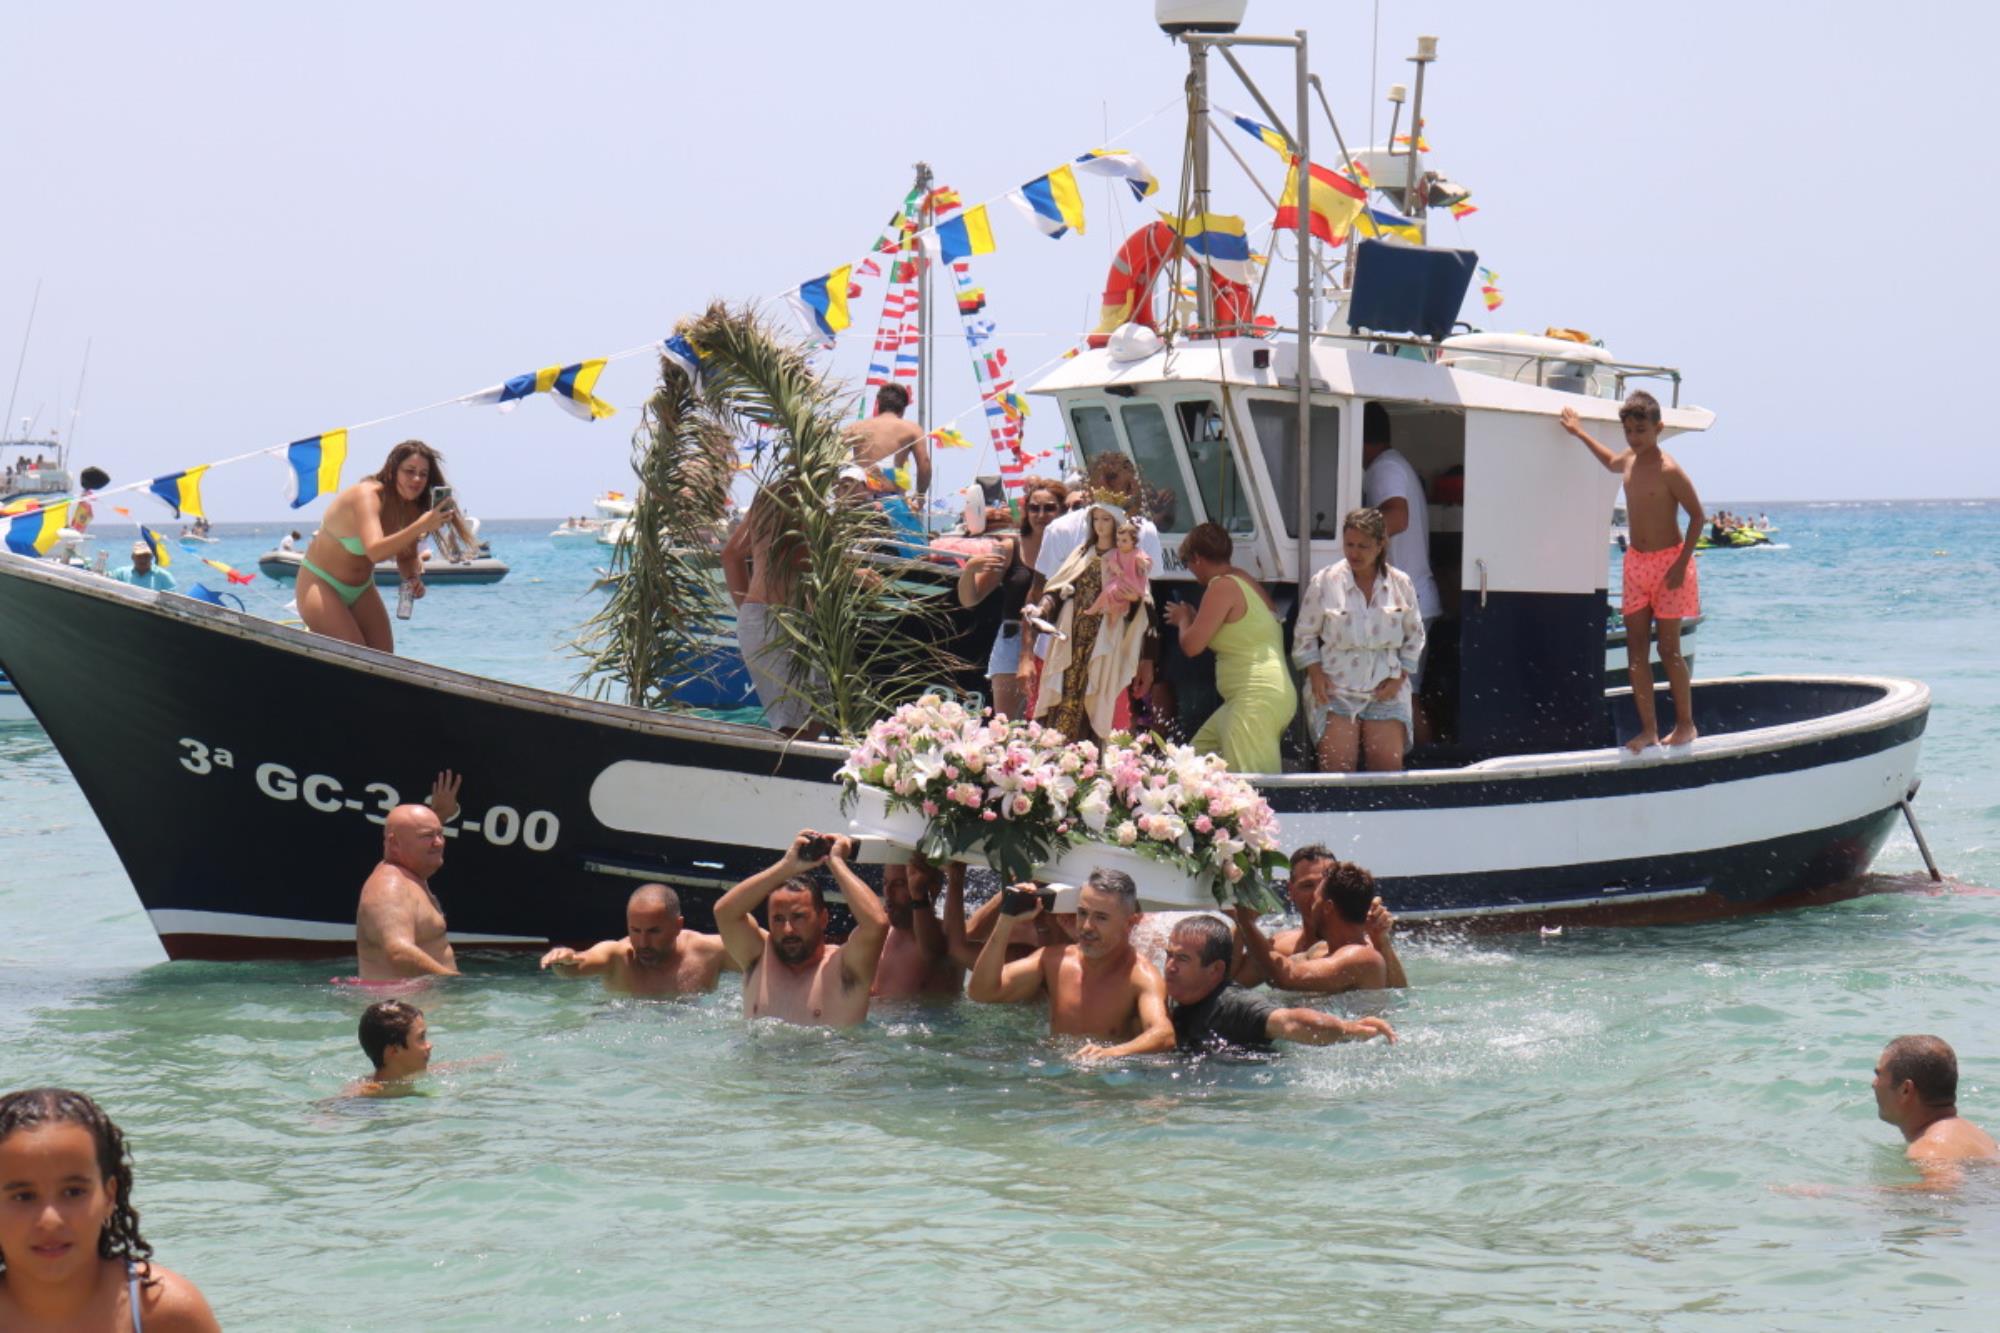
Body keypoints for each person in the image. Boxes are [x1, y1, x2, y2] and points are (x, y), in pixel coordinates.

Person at [0, 1088, 220, 1331]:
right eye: (23, 1196)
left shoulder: (164, 1312)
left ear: (108, 1196)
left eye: (73, 1192)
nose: (50, 1220)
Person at [1562, 394, 1704, 750]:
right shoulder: (1628, 459)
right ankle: (1649, 730)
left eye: (1641, 430)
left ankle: (1685, 725)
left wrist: (1681, 564)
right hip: (1636, 565)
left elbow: (1698, 516)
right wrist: (1579, 432)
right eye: (1628, 431)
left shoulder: (1669, 469)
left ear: (1658, 428)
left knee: (1669, 650)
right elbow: (1610, 461)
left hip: (1670, 565)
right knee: (1635, 650)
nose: (1634, 437)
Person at [967, 868, 1175, 1061]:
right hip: (1054, 1072)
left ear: (1129, 923)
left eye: (1101, 918)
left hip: (1106, 1082)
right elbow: (981, 992)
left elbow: (1164, 1035)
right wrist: (1006, 919)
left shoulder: (1140, 975)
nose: (1087, 926)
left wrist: (1110, 1053)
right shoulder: (1053, 960)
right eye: (1082, 913)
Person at [296, 440, 472, 652]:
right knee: (356, 656)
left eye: (423, 474)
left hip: (361, 589)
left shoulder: (412, 507)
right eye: (410, 471)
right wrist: (421, 525)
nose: (417, 479)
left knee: (384, 658)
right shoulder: (366, 496)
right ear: (392, 470)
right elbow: (375, 552)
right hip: (320, 583)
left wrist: (411, 578)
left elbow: (406, 556)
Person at [1293, 507, 1426, 772]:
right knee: (1337, 769)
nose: (1354, 553)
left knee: (1387, 770)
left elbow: (1415, 635)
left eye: (1363, 546)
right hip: (1336, 689)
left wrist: (1399, 677)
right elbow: (1304, 634)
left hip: (1385, 688)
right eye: (1349, 544)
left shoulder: (1401, 583)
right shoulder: (1325, 581)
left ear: (1380, 545)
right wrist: (1315, 673)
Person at [714, 830, 890, 1028]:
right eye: (778, 919)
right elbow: (725, 913)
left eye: (798, 917)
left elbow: (876, 924)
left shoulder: (844, 969)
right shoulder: (759, 957)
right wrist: (786, 866)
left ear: (823, 918)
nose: (788, 929)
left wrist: (835, 861)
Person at [1027, 450, 1164, 698]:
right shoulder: (1061, 530)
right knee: (1049, 723)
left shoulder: (1145, 532)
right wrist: (1025, 656)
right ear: (1090, 486)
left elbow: (1148, 603)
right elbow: (1040, 592)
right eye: (1104, 480)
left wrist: (1147, 660)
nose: (1110, 486)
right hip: (1056, 652)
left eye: (1117, 480)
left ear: (1131, 487)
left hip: (1113, 655)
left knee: (1107, 722)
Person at [1164, 523, 1296, 775]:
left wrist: (1183, 619)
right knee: (1190, 769)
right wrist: (1194, 618)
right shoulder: (1243, 579)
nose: (1190, 570)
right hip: (1256, 697)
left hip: (1253, 699)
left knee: (1252, 788)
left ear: (1197, 558)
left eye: (1186, 562)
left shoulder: (1221, 586)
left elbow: (1191, 646)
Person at [1164, 916, 1396, 1054]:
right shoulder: (1171, 997)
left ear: (1215, 969)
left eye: (1182, 959)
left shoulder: (1234, 1005)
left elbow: (1290, 1022)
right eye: (1169, 955)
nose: (1170, 967)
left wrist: (1349, 1029)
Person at [1028, 500, 1155, 743]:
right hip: (1070, 635)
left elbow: (1143, 604)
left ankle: (1087, 752)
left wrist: (1132, 600)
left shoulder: (1125, 559)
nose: (1100, 525)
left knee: (1094, 693)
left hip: (1103, 636)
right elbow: (1056, 589)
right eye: (1096, 519)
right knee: (1063, 690)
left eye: (1106, 519)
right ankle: (1055, 748)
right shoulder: (1080, 553)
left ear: (1116, 525)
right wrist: (1041, 609)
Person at [958, 477, 1067, 718]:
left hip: (1058, 637)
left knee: (1053, 723)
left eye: (1049, 508)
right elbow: (970, 599)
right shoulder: (1010, 548)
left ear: (1062, 511)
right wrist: (970, 570)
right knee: (1008, 725)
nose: (1041, 515)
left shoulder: (1072, 550)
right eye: (1034, 508)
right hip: (1013, 639)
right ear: (1026, 511)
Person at [1360, 404, 1441, 727]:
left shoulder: (1384, 468)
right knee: (1405, 694)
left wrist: (1353, 539)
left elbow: (1397, 517)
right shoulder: (1396, 464)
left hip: (1407, 603)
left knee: (1401, 696)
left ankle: (1420, 756)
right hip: (1416, 599)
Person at [719, 488, 818, 735]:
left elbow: (731, 555)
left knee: (815, 721)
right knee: (795, 730)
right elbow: (786, 554)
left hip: (776, 620)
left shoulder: (775, 492)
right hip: (776, 622)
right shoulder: (795, 493)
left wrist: (748, 609)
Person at [1234, 861, 1409, 994]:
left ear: (1328, 907)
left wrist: (1246, 922)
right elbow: (1258, 974)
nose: (1311, 904)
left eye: (1316, 899)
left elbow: (1288, 977)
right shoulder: (1319, 950)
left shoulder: (1363, 957)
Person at [355, 773, 464, 980]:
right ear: (394, 844)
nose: (439, 842)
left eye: (440, 834)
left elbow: (411, 834)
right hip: (397, 999)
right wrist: (455, 981)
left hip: (419, 995)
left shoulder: (408, 873)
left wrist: (440, 812)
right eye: (428, 836)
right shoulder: (389, 886)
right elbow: (398, 951)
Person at [538, 884, 737, 996]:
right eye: (635, 930)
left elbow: (755, 956)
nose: (643, 943)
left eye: (654, 931)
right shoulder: (618, 957)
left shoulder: (709, 952)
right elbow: (575, 967)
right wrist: (563, 960)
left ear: (678, 925)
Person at [1873, 1035, 1998, 1180]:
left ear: (1905, 1090)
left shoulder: (1930, 1148)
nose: (1874, 1084)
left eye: (1879, 1075)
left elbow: (1946, 1187)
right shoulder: (1976, 1135)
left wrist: (1868, 1191)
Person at [1233, 844, 1337, 984]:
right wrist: (1240, 920)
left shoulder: (1357, 947)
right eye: (1307, 886)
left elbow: (1288, 978)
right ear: (1291, 891)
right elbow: (1236, 984)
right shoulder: (1277, 948)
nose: (1318, 895)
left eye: (1326, 885)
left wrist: (1246, 924)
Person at [873, 857, 965, 1000]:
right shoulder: (876, 934)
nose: (888, 893)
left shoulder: (949, 941)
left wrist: (919, 895)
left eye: (899, 884)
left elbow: (934, 954)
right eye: (885, 883)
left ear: (932, 888)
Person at [842, 384, 930, 500]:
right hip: (890, 499)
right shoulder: (912, 429)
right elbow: (924, 463)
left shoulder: (854, 428)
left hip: (859, 500)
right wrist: (920, 495)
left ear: (878, 404)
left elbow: (829, 456)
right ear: (903, 408)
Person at [348, 998, 433, 1096]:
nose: (429, 1046)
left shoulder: (408, 1074)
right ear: (394, 1050)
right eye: (421, 1037)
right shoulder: (368, 1094)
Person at [1082, 519, 1151, 618]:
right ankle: (1099, 608)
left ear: (1133, 541)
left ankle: (1103, 608)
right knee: (1109, 592)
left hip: (1133, 583)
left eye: (1124, 541)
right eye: (1118, 540)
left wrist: (1143, 563)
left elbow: (1147, 563)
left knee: (1113, 592)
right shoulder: (1117, 552)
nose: (1120, 543)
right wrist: (1117, 569)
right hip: (1120, 581)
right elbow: (1112, 562)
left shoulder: (1137, 552)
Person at [109, 540, 176, 591]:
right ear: (132, 557)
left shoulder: (164, 577)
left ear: (152, 557)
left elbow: (172, 601)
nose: (143, 560)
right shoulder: (121, 574)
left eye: (146, 556)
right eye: (139, 556)